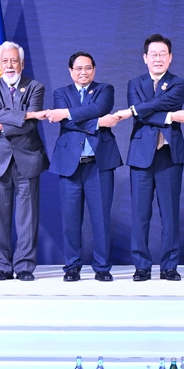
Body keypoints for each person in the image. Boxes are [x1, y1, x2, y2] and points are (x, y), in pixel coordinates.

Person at [124, 34, 184, 281]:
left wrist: (140, 108)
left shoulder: (179, 83)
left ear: (170, 58)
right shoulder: (134, 83)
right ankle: (141, 266)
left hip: (169, 154)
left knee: (170, 213)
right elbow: (140, 117)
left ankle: (169, 266)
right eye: (153, 54)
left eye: (163, 54)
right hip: (141, 156)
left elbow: (160, 104)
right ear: (145, 58)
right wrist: (169, 117)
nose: (158, 59)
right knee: (140, 214)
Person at [48, 51, 122, 282]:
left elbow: (99, 108)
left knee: (101, 218)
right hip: (70, 164)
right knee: (71, 219)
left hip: (99, 163)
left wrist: (70, 114)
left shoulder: (105, 89)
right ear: (70, 71)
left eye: (88, 68)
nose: (83, 72)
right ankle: (72, 266)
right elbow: (66, 122)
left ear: (94, 69)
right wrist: (98, 122)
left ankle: (102, 267)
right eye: (78, 68)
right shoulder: (61, 93)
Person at [0, 42, 49, 282]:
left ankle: (24, 267)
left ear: (22, 63)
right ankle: (2, 266)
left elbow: (30, 125)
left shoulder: (35, 87)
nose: (9, 65)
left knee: (27, 217)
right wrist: (26, 114)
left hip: (27, 157)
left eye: (14, 61)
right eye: (5, 61)